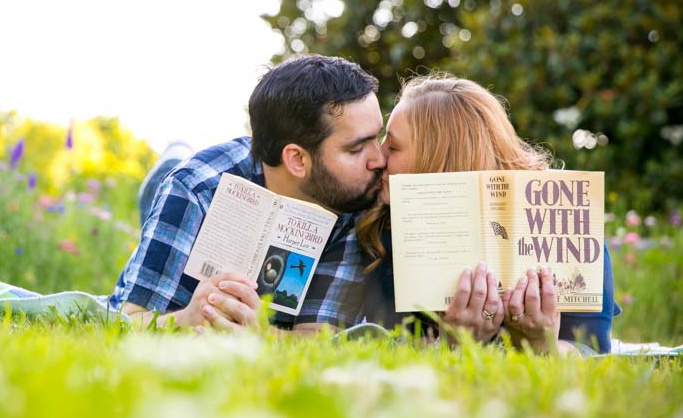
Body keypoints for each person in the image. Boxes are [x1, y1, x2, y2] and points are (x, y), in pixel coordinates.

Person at [110, 55, 386, 333]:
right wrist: (187, 318)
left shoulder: (358, 196)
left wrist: (262, 335)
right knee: (166, 188)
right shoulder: (194, 187)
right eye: (356, 149)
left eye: (378, 137)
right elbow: (130, 322)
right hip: (192, 198)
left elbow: (319, 340)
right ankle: (170, 163)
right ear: (298, 160)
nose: (379, 159)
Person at [356, 73, 620, 355]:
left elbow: (593, 352)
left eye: (392, 146)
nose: (378, 157)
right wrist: (450, 345)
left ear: (439, 160)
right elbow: (372, 350)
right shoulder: (376, 229)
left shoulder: (563, 221)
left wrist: (541, 347)